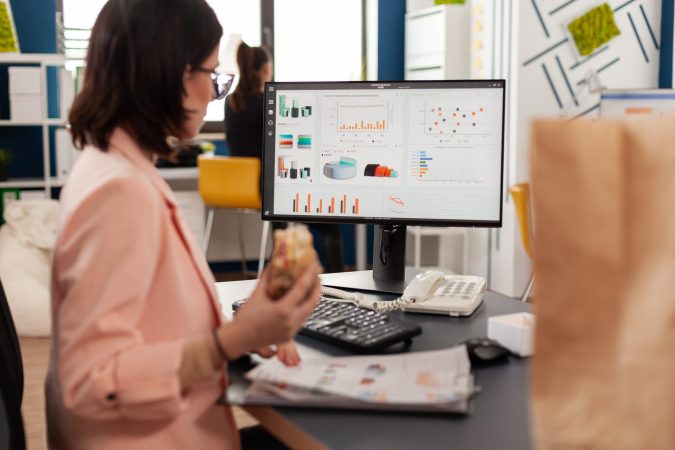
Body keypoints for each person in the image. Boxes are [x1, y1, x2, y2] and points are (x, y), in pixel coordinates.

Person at [45, 1, 321, 449]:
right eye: (211, 74)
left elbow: (147, 320)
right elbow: (90, 382)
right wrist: (232, 339)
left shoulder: (111, 166)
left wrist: (251, 324)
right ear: (170, 73)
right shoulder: (119, 193)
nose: (214, 92)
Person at [225, 42, 345, 274]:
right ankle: (339, 279)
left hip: (241, 189)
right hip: (269, 190)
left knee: (281, 207)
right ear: (266, 70)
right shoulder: (267, 103)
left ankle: (282, 265)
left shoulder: (230, 103)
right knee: (331, 225)